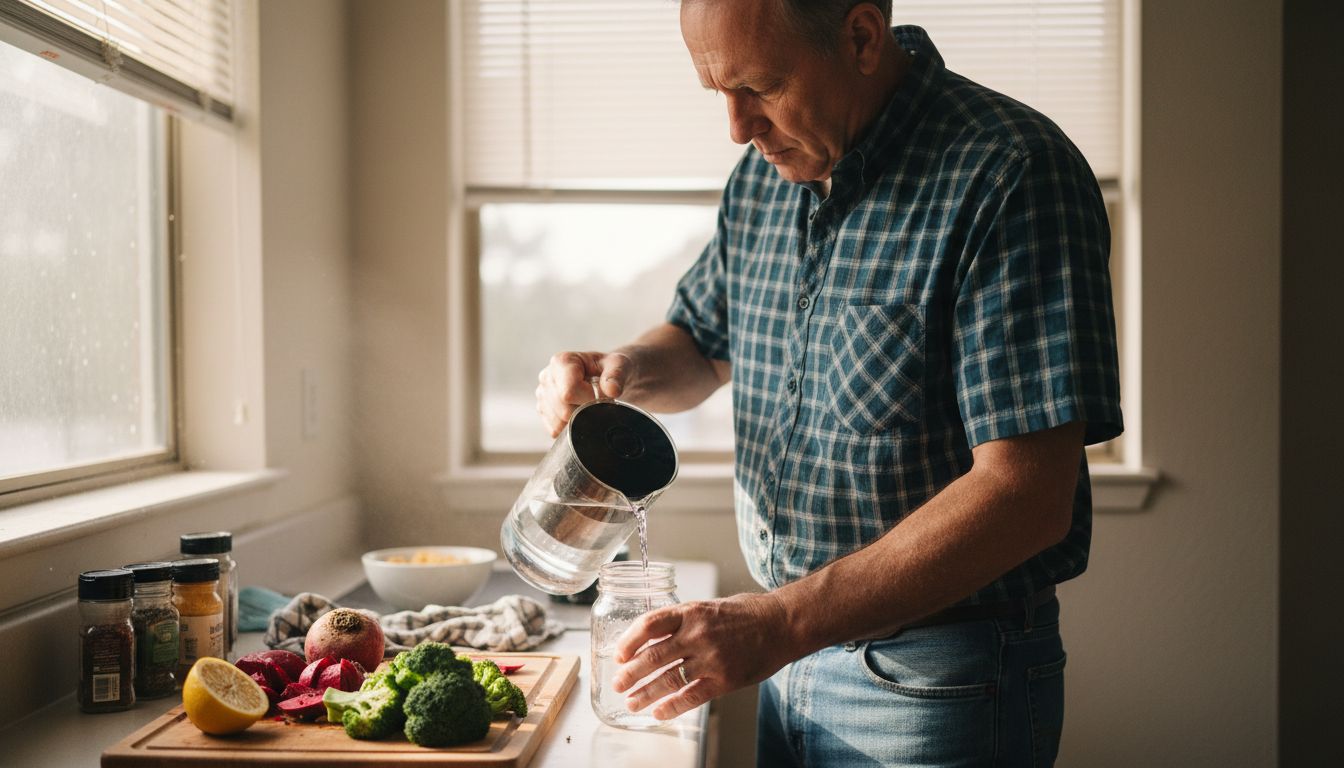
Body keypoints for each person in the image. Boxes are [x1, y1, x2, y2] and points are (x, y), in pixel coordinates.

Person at [533, 1, 1123, 765]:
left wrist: (780, 622)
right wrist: (625, 369)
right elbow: (703, 346)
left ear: (860, 36)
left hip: (941, 685)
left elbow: (1028, 498)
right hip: (789, 662)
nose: (738, 128)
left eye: (763, 87)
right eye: (719, 92)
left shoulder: (1010, 171)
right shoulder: (765, 174)